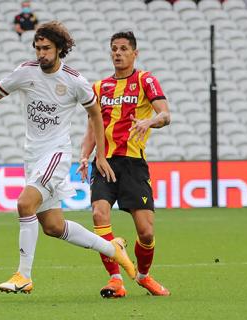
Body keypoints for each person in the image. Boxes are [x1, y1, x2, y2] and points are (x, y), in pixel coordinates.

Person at [0, 21, 136, 294]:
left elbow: (95, 114)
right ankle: (113, 248)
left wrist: (99, 155)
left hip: (56, 154)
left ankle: (24, 275)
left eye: (46, 48)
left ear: (59, 49)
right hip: (32, 156)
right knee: (54, 227)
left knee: (24, 203)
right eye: (38, 48)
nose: (41, 53)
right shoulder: (26, 72)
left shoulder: (74, 81)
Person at [77, 31, 171, 298]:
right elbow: (92, 129)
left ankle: (143, 276)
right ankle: (116, 279)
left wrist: (149, 121)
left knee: (146, 231)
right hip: (104, 163)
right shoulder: (98, 88)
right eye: (114, 49)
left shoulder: (145, 80)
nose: (117, 53)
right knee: (99, 214)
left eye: (123, 49)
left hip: (133, 164)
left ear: (134, 53)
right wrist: (85, 155)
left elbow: (165, 115)